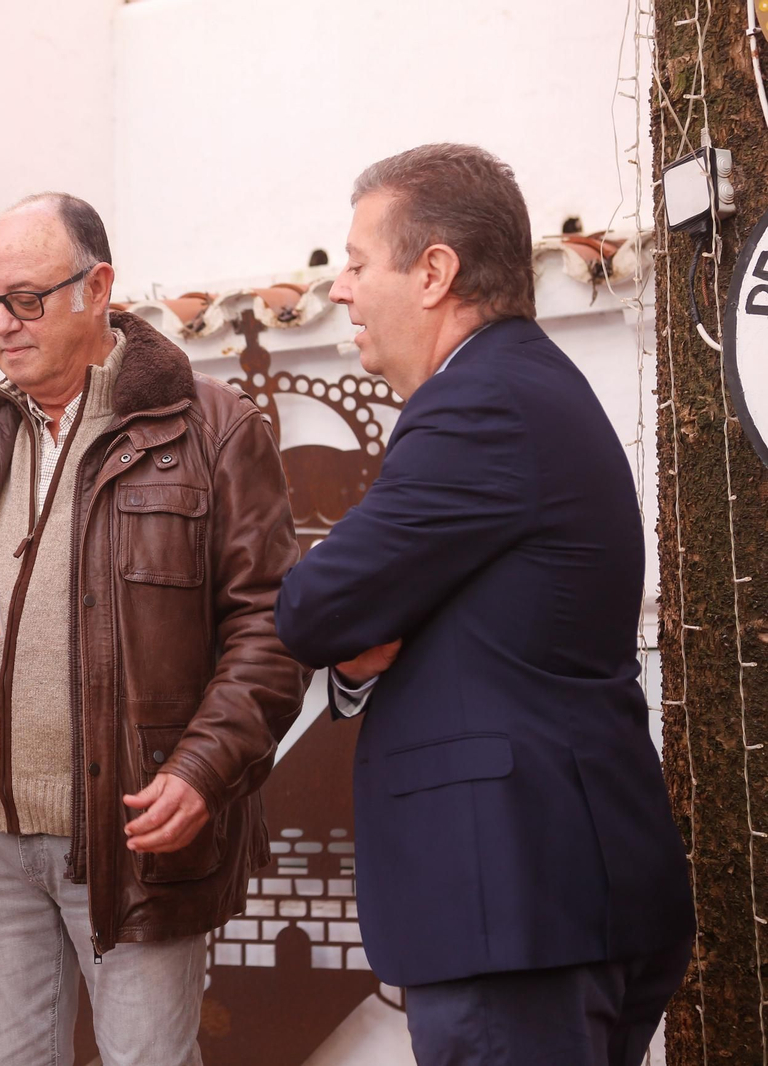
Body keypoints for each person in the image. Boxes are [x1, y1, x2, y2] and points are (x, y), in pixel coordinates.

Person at [274, 144, 694, 1065]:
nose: (339, 289)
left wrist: (347, 602)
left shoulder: (479, 404)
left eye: (356, 262)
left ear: (434, 273)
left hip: (513, 908)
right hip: (553, 897)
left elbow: (313, 609)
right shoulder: (520, 387)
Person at [0, 193, 309, 1065]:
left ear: (98, 287)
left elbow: (271, 629)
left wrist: (201, 770)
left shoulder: (215, 429)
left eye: (25, 299)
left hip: (133, 838)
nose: (1, 324)